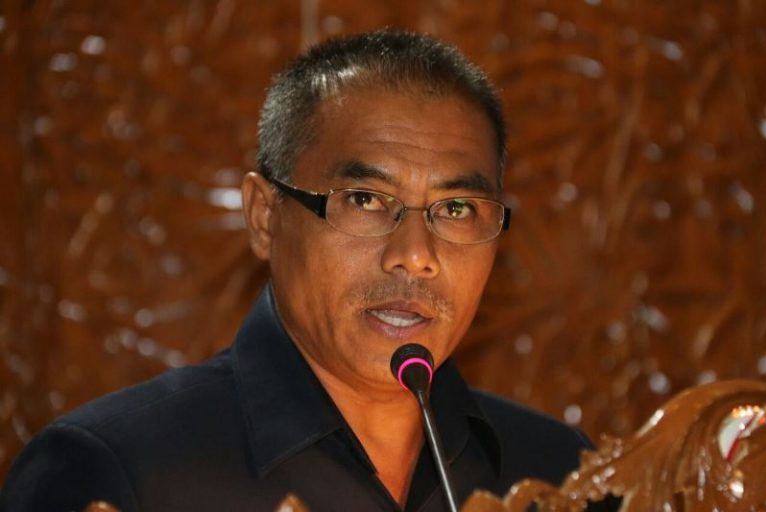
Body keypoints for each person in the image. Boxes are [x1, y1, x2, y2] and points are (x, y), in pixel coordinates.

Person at [0, 30, 604, 512]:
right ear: (265, 217)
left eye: (457, 208)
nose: (415, 254)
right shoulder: (121, 470)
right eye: (365, 199)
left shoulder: (556, 473)